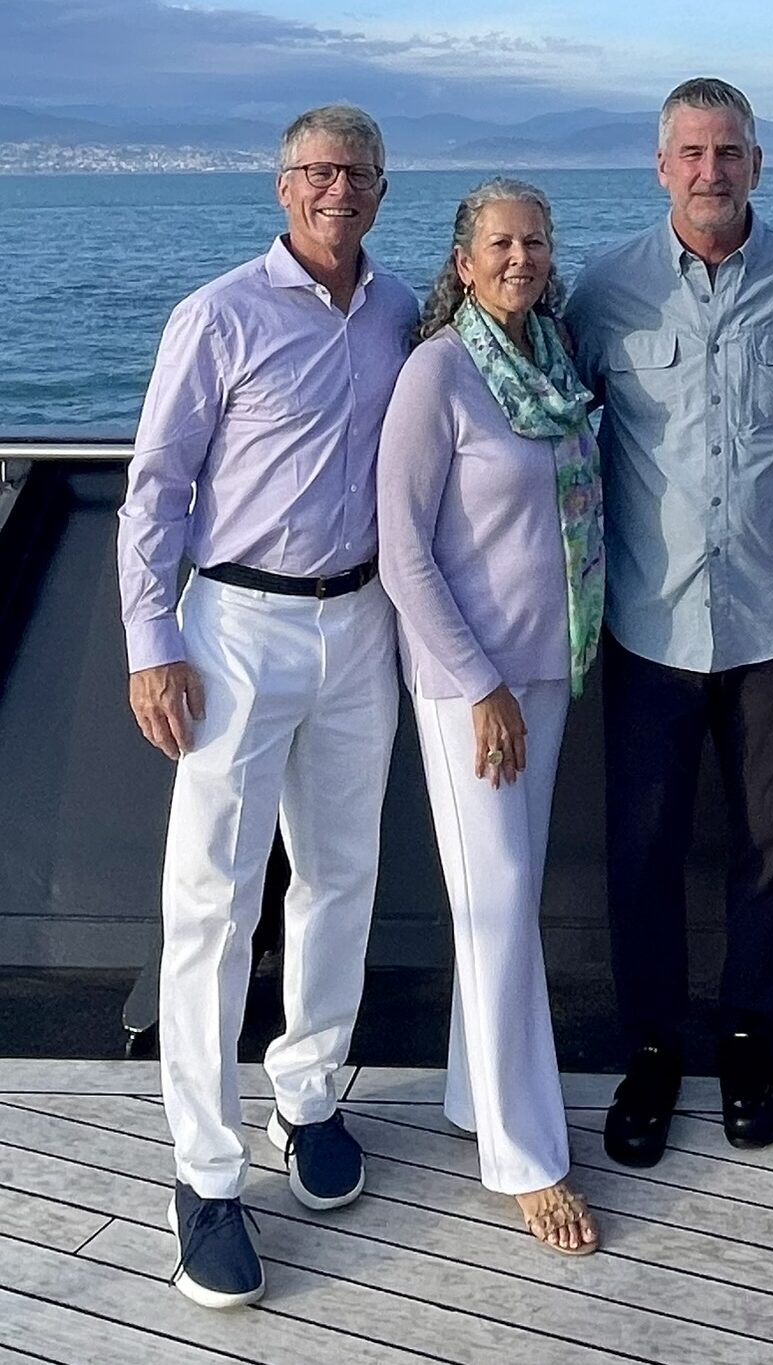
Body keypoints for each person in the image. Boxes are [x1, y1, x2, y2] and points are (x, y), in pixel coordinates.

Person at [118, 104, 417, 1307]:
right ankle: (204, 1173)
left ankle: (308, 1094)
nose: (336, 190)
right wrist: (151, 641)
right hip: (235, 627)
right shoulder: (218, 314)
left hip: (363, 622)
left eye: (355, 173)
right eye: (315, 173)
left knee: (341, 873)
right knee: (212, 904)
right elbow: (156, 488)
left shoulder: (400, 310)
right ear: (282, 188)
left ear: (382, 193)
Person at [562, 77, 773, 1166]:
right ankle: (648, 1050)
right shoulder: (603, 291)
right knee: (640, 849)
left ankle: (746, 1036)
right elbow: (543, 423)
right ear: (659, 166)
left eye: (727, 151)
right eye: (689, 153)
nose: (709, 171)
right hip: (648, 625)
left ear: (756, 163)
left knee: (770, 846)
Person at [377, 178, 602, 1255]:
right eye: (501, 244)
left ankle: (476, 1094)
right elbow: (403, 552)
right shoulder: (440, 372)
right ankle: (524, 1157)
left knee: (496, 902)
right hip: (475, 690)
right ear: (462, 262)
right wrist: (480, 687)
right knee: (501, 903)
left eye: (536, 240)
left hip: (547, 672)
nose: (521, 258)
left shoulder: (551, 362)